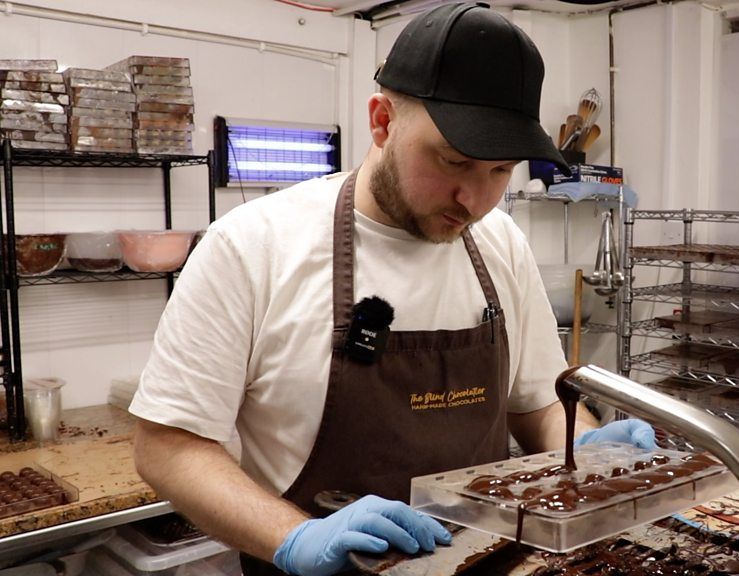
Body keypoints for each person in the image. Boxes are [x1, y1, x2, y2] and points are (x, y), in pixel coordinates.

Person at [129, 4, 656, 576]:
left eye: (500, 171)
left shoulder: (500, 240)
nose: (475, 200)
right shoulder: (252, 246)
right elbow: (168, 447)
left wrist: (589, 449)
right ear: (382, 121)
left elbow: (536, 408)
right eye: (454, 161)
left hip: (480, 563)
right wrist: (296, 536)